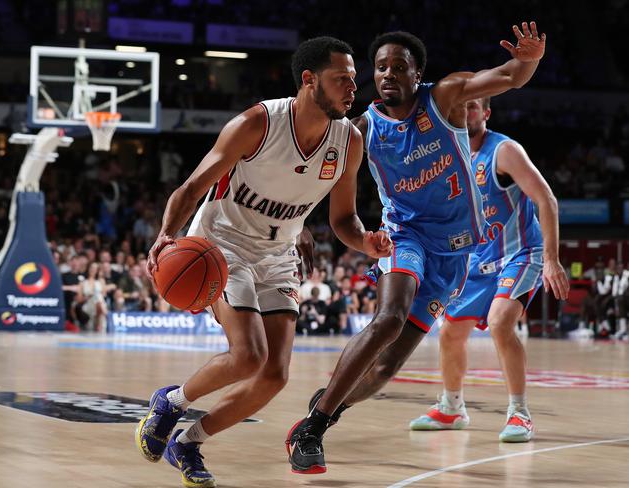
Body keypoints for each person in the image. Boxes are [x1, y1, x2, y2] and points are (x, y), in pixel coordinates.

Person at [286, 21, 550, 474]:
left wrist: (529, 59)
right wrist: (299, 222)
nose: (388, 74)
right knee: (388, 317)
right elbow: (317, 180)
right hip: (403, 236)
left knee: (385, 370)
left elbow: (508, 77)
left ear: (417, 73)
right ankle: (313, 431)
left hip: (455, 254)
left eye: (399, 66)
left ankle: (325, 406)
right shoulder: (359, 131)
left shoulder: (446, 97)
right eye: (381, 67)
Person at [135, 36, 391, 487]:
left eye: (354, 80)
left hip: (279, 255)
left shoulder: (349, 141)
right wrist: (166, 234)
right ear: (309, 81)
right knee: (249, 355)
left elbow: (344, 218)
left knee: (274, 376)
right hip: (221, 245)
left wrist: (365, 242)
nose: (353, 89)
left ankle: (188, 442)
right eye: (341, 80)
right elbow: (191, 188)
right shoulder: (257, 123)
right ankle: (171, 402)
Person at [408, 96, 569, 442]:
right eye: (460, 106)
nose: (465, 112)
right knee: (450, 332)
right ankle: (451, 409)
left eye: (473, 106)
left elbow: (547, 199)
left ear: (486, 113)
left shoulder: (505, 150)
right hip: (476, 260)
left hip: (521, 253)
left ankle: (519, 413)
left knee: (500, 322)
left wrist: (552, 260)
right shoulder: (447, 155)